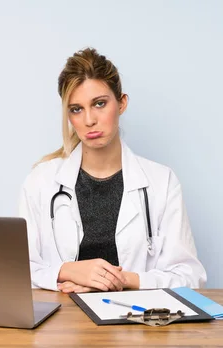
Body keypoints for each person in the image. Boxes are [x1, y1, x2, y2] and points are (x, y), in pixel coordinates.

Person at [18, 47, 206, 293]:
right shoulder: (41, 181)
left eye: (99, 104)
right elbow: (19, 271)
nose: (89, 120)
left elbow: (190, 276)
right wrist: (67, 271)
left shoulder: (162, 182)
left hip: (135, 322)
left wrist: (123, 279)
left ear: (122, 103)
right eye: (76, 109)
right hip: (63, 324)